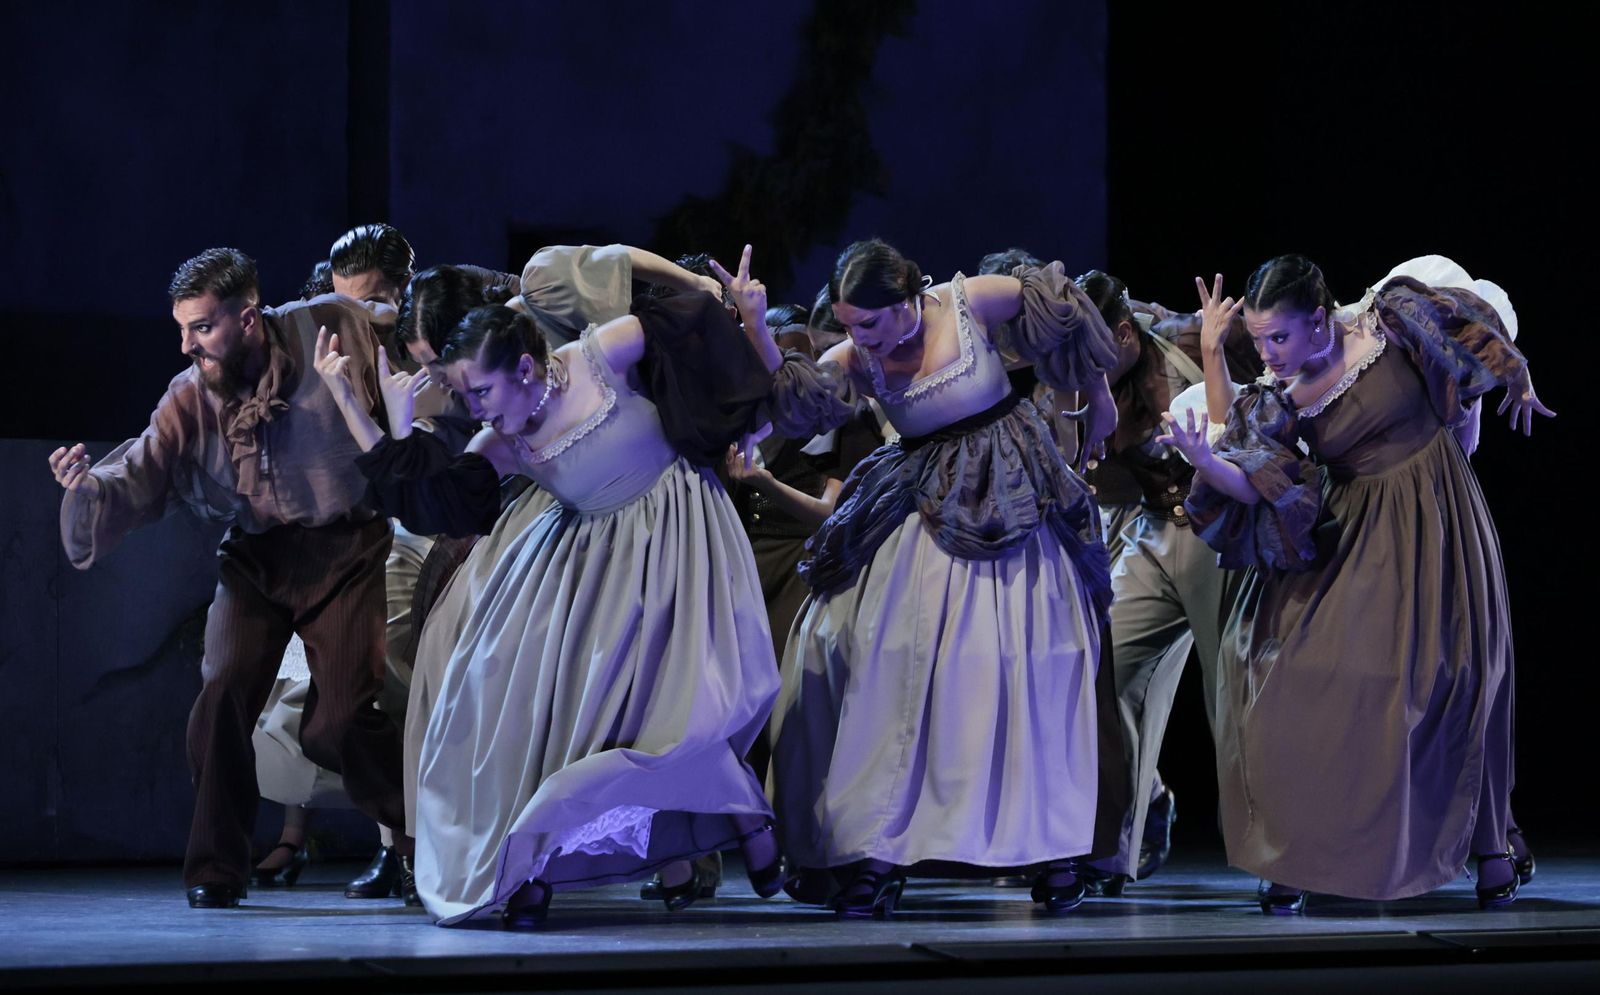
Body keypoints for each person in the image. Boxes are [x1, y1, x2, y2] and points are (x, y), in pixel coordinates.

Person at [315, 267, 781, 927]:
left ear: (529, 369)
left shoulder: (602, 354)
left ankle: (742, 818)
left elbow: (690, 321)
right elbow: (435, 500)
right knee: (524, 707)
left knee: (680, 712)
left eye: (481, 389)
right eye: (464, 393)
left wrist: (741, 359)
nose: (473, 407)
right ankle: (529, 861)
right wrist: (362, 413)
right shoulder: (500, 441)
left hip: (676, 539)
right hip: (589, 563)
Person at [1160, 257, 1552, 912]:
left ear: (1319, 319)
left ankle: (1490, 846)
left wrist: (1516, 377)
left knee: (1453, 676)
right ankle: (1294, 854)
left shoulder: (1390, 318)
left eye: (1278, 337)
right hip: (1352, 531)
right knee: (1284, 672)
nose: (1268, 353)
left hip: (1437, 514)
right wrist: (1205, 441)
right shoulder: (1283, 396)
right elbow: (1251, 473)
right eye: (1256, 340)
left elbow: (1474, 329)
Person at [759, 238, 1122, 917]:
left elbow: (1063, 310)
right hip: (925, 499)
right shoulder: (856, 357)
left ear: (905, 302)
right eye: (846, 321)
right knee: (897, 663)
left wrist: (1096, 395)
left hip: (1012, 490)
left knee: (1030, 662)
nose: (855, 336)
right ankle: (876, 847)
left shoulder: (968, 302)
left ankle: (1052, 845)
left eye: (867, 322)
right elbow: (797, 401)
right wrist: (757, 325)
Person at [49, 247, 408, 909]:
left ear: (247, 318)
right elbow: (139, 471)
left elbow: (394, 319)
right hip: (257, 560)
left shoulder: (324, 324)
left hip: (344, 548)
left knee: (339, 723)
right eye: (182, 329)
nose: (187, 345)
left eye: (202, 328)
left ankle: (421, 834)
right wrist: (86, 489)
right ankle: (217, 866)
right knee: (221, 698)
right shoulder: (190, 396)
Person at [1069, 270, 1262, 894]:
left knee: (1233, 697)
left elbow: (1293, 369)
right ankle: (1115, 837)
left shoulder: (1187, 337)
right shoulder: (1087, 382)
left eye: (1098, 345)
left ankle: (1279, 853)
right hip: (1151, 533)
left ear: (1125, 332)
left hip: (1223, 537)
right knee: (1105, 673)